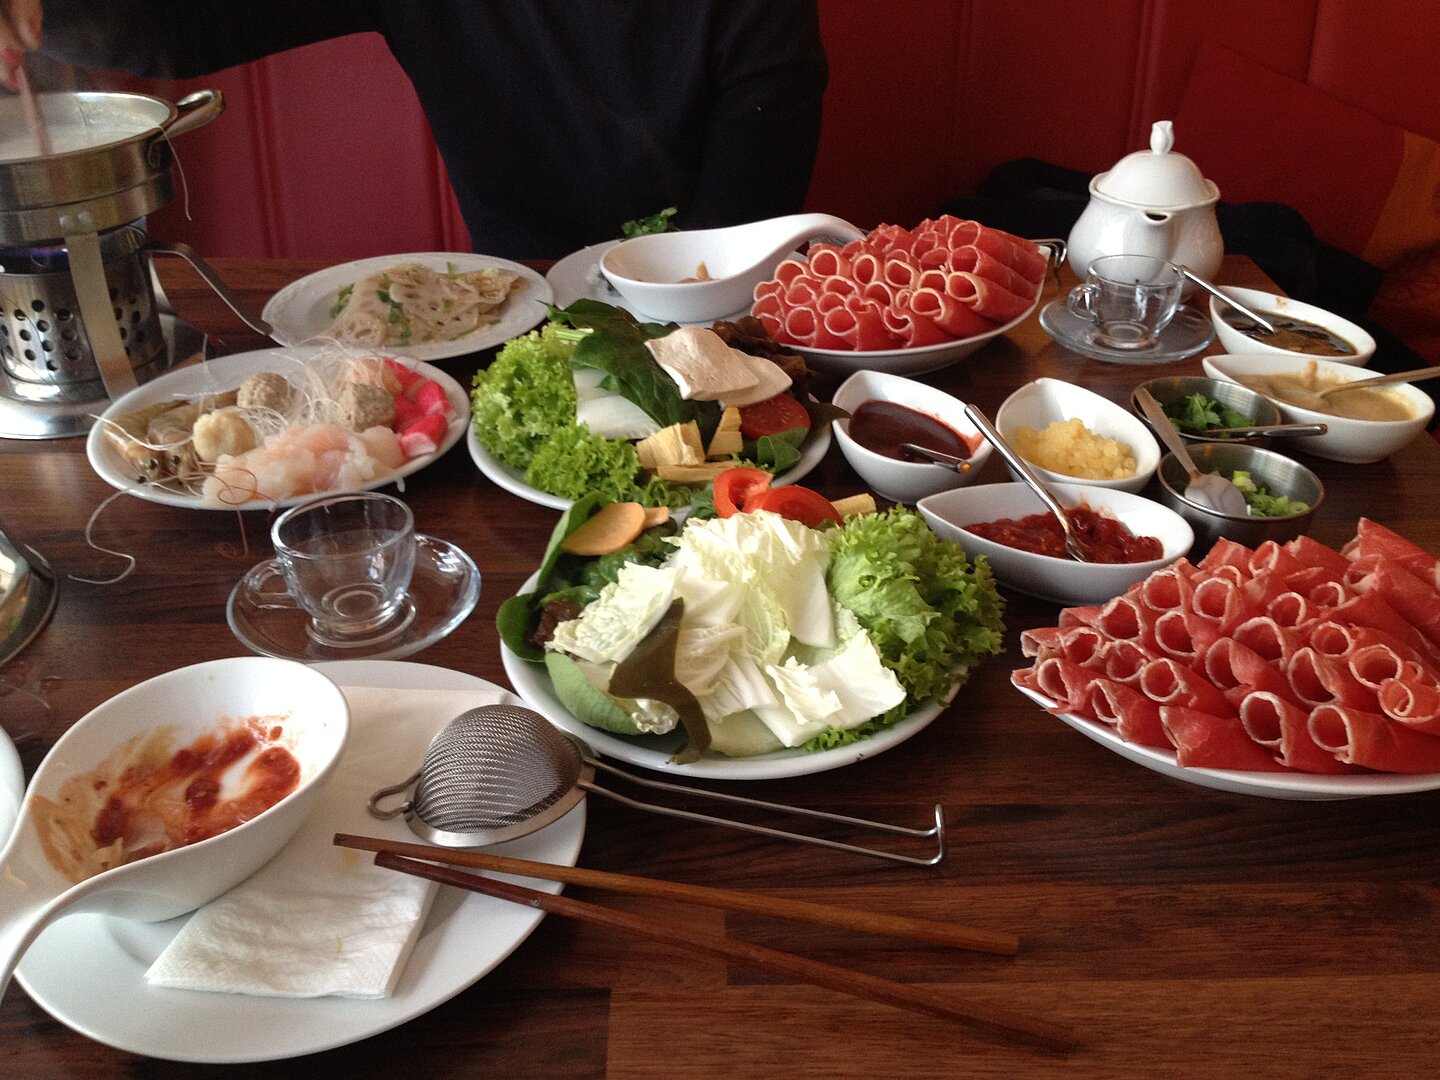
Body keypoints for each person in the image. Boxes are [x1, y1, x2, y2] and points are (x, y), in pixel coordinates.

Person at [0, 1, 828, 258]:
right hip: (512, 313)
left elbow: (730, 256)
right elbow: (181, 26)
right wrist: (39, 9)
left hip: (711, 322)